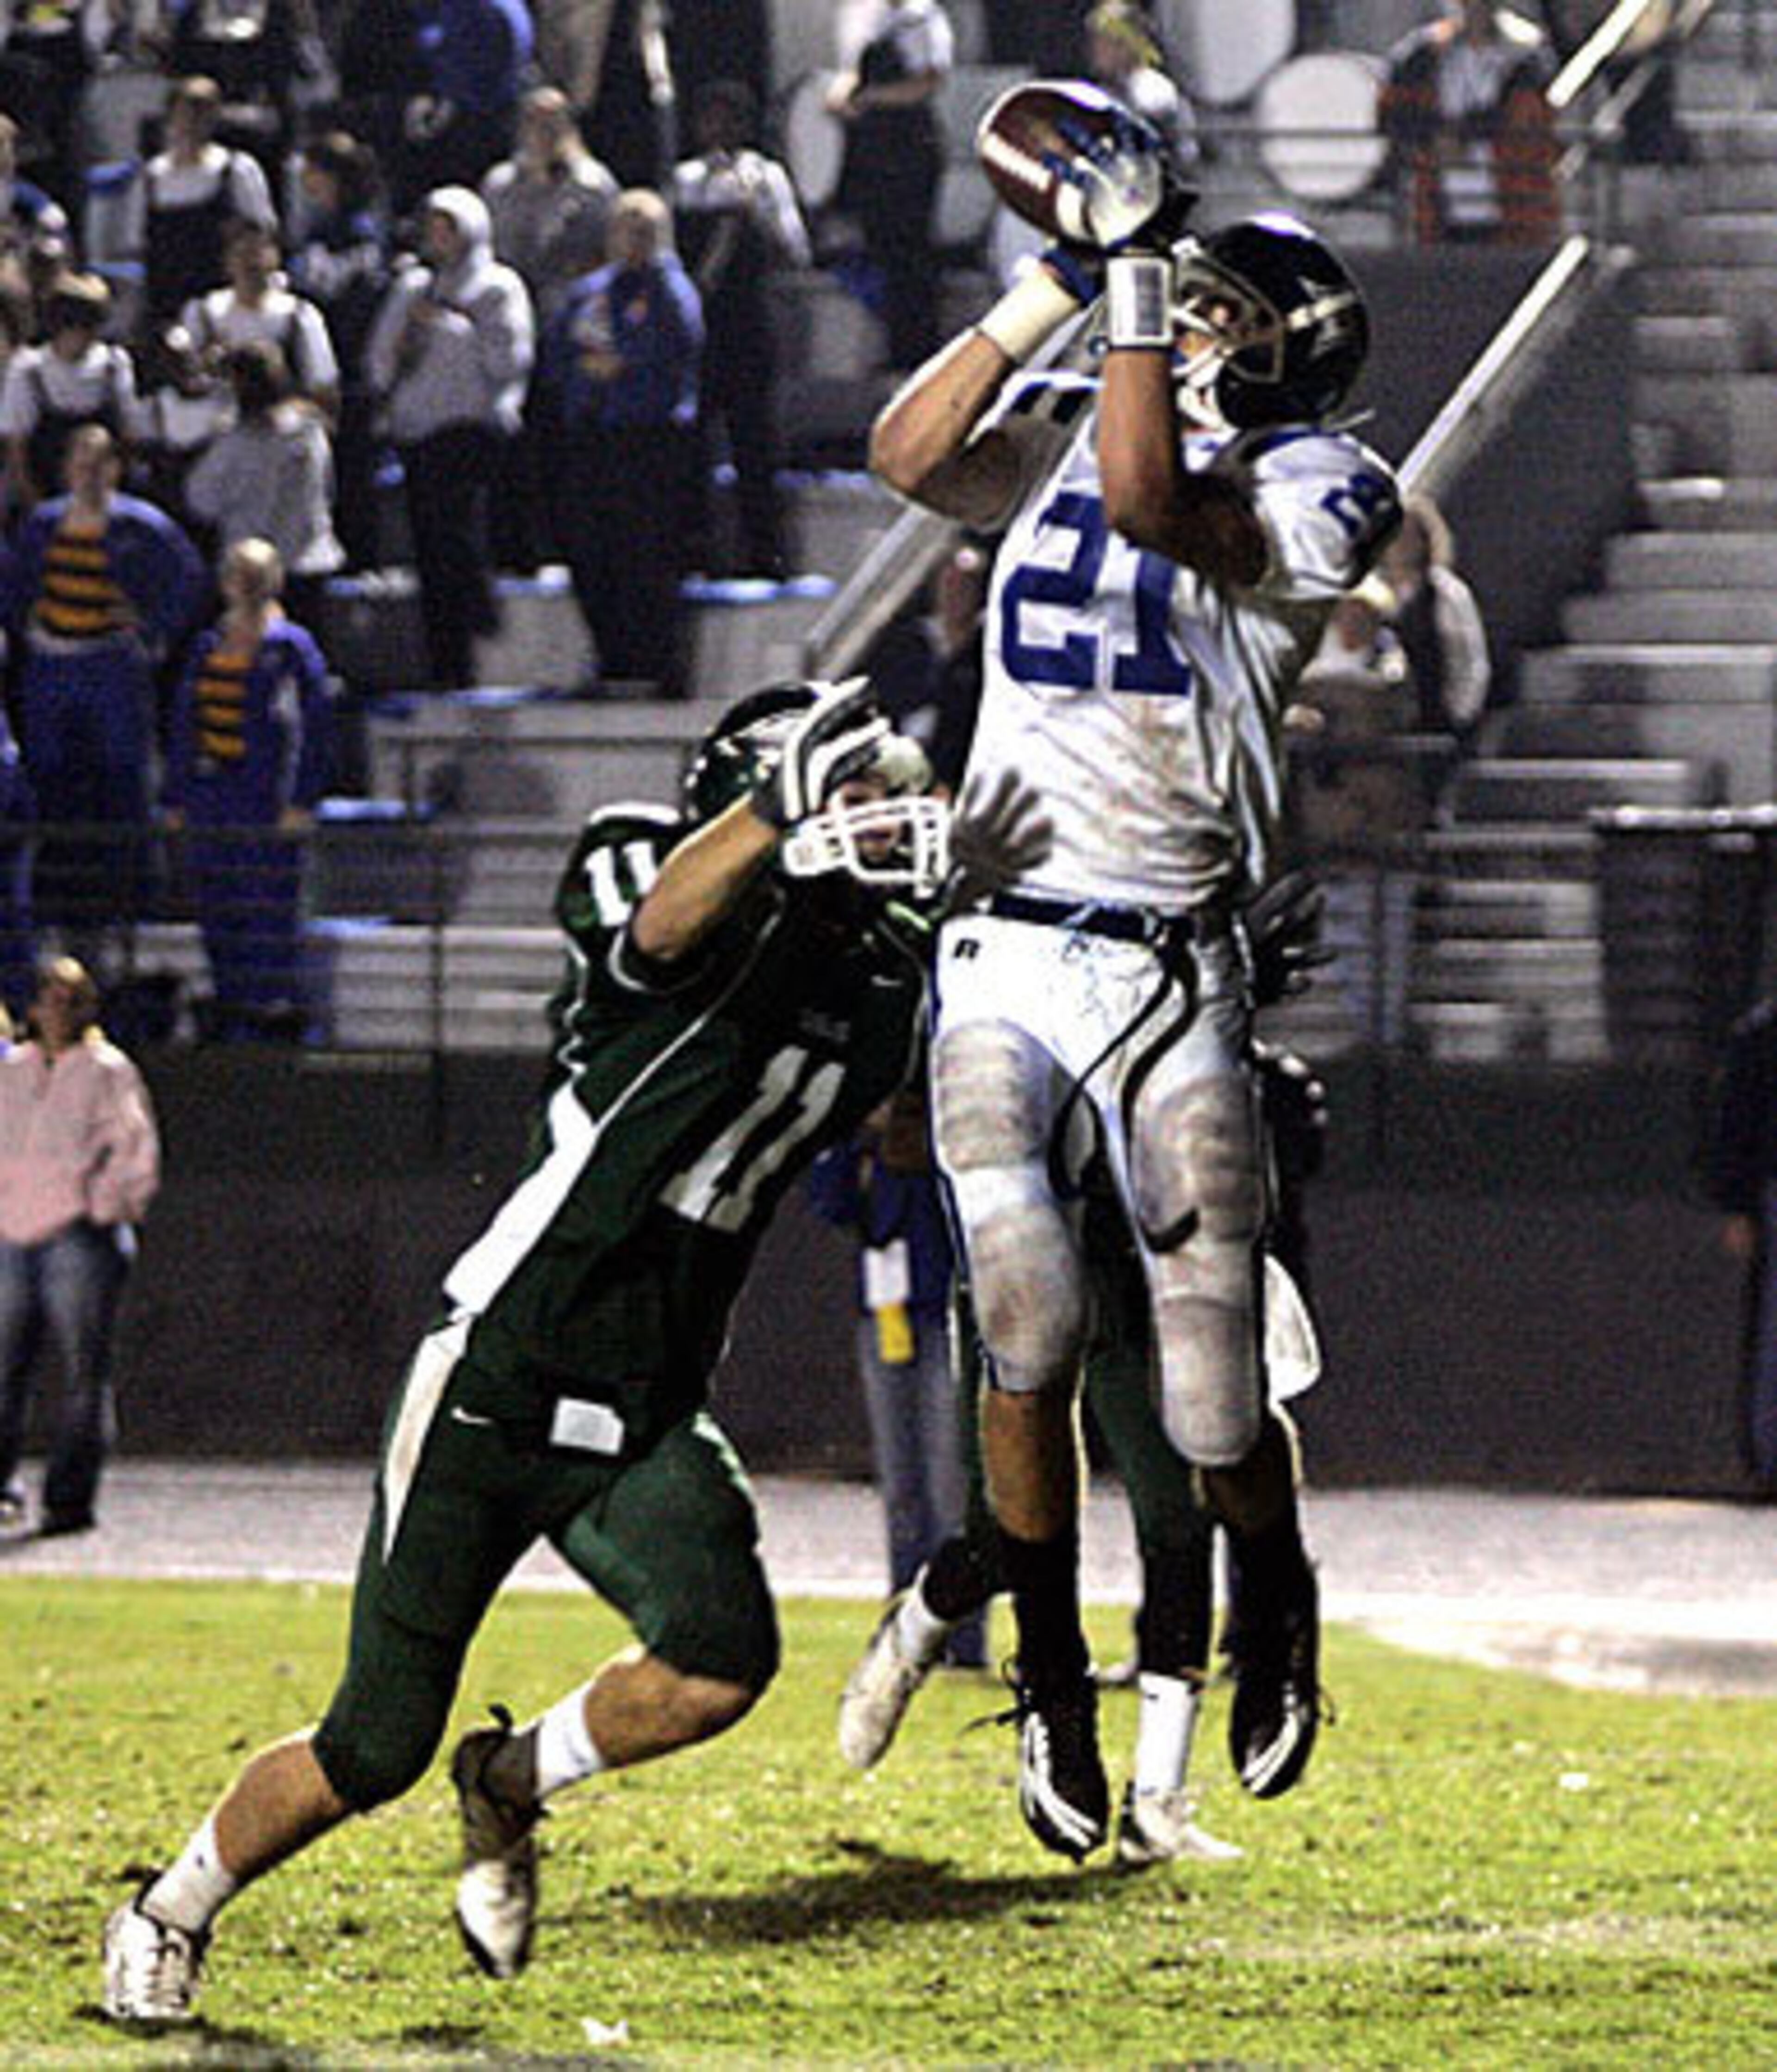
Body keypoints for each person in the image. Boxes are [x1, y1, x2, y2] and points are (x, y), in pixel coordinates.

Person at [99, 674, 1047, 2024]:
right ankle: (166, 1906)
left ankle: (511, 1781)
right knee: (371, 1743)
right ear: (755, 793)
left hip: (647, 1405)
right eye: (849, 793)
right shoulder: (639, 857)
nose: (878, 820)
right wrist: (775, 822)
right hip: (503, 1371)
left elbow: (914, 1111)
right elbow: (660, 928)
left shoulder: (883, 971)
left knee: (718, 1659)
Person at [868, 151, 1401, 1860]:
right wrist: (1053, 277)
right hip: (1002, 939)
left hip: (1176, 962)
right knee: (1017, 1320)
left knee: (1209, 1405)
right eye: (1196, 296)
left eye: (1231, 309)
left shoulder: (1327, 482)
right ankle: (1043, 1678)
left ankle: (1283, 1598)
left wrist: (1137, 298)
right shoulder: (1091, 408)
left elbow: (1160, 502)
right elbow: (907, 457)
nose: (1195, 325)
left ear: (1295, 352)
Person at [837, 885, 1332, 1868]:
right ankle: (923, 1626)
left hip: (1139, 1272)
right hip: (1037, 1267)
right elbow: (898, 1126)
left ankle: (1160, 1794)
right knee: (998, 1531)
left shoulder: (1176, 978)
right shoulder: (992, 966)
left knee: (1179, 1511)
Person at [0, 426, 206, 964]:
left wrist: (151, 629)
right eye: (81, 462)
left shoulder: (142, 525)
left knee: (124, 779)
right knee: (49, 782)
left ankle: (135, 903)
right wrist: (29, 629)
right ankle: (55, 904)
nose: (90, 473)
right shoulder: (43, 524)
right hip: (52, 664)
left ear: (115, 468)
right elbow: (17, 586)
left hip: (111, 663)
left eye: (101, 462)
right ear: (67, 468)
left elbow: (188, 578)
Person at [807, 1081, 988, 1674]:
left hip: (945, 1318)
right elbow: (831, 1204)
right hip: (886, 1317)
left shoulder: (945, 1136)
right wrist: (861, 1137)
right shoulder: (867, 1146)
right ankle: (903, 1633)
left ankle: (960, 1637)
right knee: (903, 1484)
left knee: (948, 1482)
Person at [0, 955, 160, 1538]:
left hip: (76, 1235)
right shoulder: (12, 1070)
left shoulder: (107, 1071)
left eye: (71, 1000)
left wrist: (101, 1206)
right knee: (4, 1369)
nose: (58, 1010)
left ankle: (69, 1498)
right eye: (50, 997)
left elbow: (135, 1150)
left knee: (80, 1373)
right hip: (11, 1235)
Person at [163, 537, 333, 1041]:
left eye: (257, 574)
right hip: (212, 797)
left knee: (267, 906)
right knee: (218, 904)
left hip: (264, 799)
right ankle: (230, 1002)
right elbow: (184, 724)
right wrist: (176, 796)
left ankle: (271, 1010)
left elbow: (316, 730)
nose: (247, 583)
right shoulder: (207, 646)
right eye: (240, 573)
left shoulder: (292, 650)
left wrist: (301, 800)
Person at [365, 184, 533, 689]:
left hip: (471, 429)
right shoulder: (412, 288)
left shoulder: (498, 287)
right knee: (429, 550)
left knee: (458, 531)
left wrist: (452, 328)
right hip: (420, 431)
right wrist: (409, 338)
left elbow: (509, 359)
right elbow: (379, 362)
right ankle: (445, 663)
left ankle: (480, 625)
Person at [536, 186, 700, 696]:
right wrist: (587, 375)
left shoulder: (673, 290)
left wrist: (623, 363)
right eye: (624, 227)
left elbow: (675, 347)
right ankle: (611, 658)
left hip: (649, 438)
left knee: (648, 554)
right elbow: (558, 353)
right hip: (593, 434)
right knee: (592, 551)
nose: (632, 239)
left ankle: (658, 664)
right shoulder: (590, 292)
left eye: (644, 229)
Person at [668, 78, 810, 582]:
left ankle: (765, 557)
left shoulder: (765, 177)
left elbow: (795, 251)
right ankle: (696, 554)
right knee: (693, 446)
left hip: (748, 323)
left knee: (756, 444)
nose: (719, 128)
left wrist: (757, 217)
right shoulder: (685, 181)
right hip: (701, 328)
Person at [827, 0, 956, 375]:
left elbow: (929, 80)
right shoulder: (862, 14)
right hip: (873, 148)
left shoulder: (923, 18)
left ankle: (920, 351)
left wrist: (872, 99)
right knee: (882, 249)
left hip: (911, 144)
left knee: (912, 254)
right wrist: (842, 93)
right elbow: (853, 69)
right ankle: (895, 345)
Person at [182, 341, 346, 631]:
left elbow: (200, 501)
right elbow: (329, 489)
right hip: (309, 563)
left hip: (252, 577)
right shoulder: (312, 430)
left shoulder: (236, 444)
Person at [1378, 0, 1561, 247]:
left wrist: (1465, 134)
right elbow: (1397, 115)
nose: (1476, 8)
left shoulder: (1526, 56)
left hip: (1508, 196)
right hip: (1441, 198)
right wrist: (1434, 139)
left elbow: (1525, 119)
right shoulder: (1424, 55)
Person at [122, 76, 280, 330]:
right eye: (186, 112)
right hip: (166, 306)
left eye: (203, 112)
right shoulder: (149, 178)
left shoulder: (239, 170)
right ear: (170, 116)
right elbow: (136, 245)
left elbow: (262, 235)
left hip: (222, 309)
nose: (193, 122)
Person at [1705, 996, 1777, 1489]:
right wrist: (1737, 1203)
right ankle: (1769, 1453)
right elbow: (1736, 1123)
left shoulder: (1759, 1032)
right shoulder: (1762, 1035)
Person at [0, 271, 137, 520]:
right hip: (44, 494)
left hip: (104, 503)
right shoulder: (28, 370)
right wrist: (38, 510)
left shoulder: (115, 364)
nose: (80, 334)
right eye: (71, 324)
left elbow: (128, 437)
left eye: (89, 324)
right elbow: (17, 450)